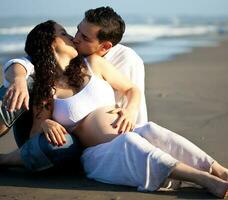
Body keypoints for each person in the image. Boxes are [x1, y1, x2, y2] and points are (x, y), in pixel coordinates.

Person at [1, 20, 228, 198]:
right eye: (63, 33)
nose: (72, 37)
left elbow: (131, 90)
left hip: (129, 130)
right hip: (97, 153)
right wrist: (46, 123)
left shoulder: (93, 63)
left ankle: (219, 170)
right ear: (51, 43)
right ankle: (204, 180)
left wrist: (129, 111)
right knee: (131, 144)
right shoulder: (47, 89)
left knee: (153, 131)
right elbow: (33, 138)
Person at [0, 7, 147, 171]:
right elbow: (22, 62)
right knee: (21, 82)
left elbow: (133, 97)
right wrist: (19, 79)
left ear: (104, 46)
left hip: (99, 138)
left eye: (84, 37)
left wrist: (134, 123)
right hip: (48, 134)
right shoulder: (57, 65)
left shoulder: (124, 60)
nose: (75, 38)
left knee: (60, 145)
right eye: (75, 31)